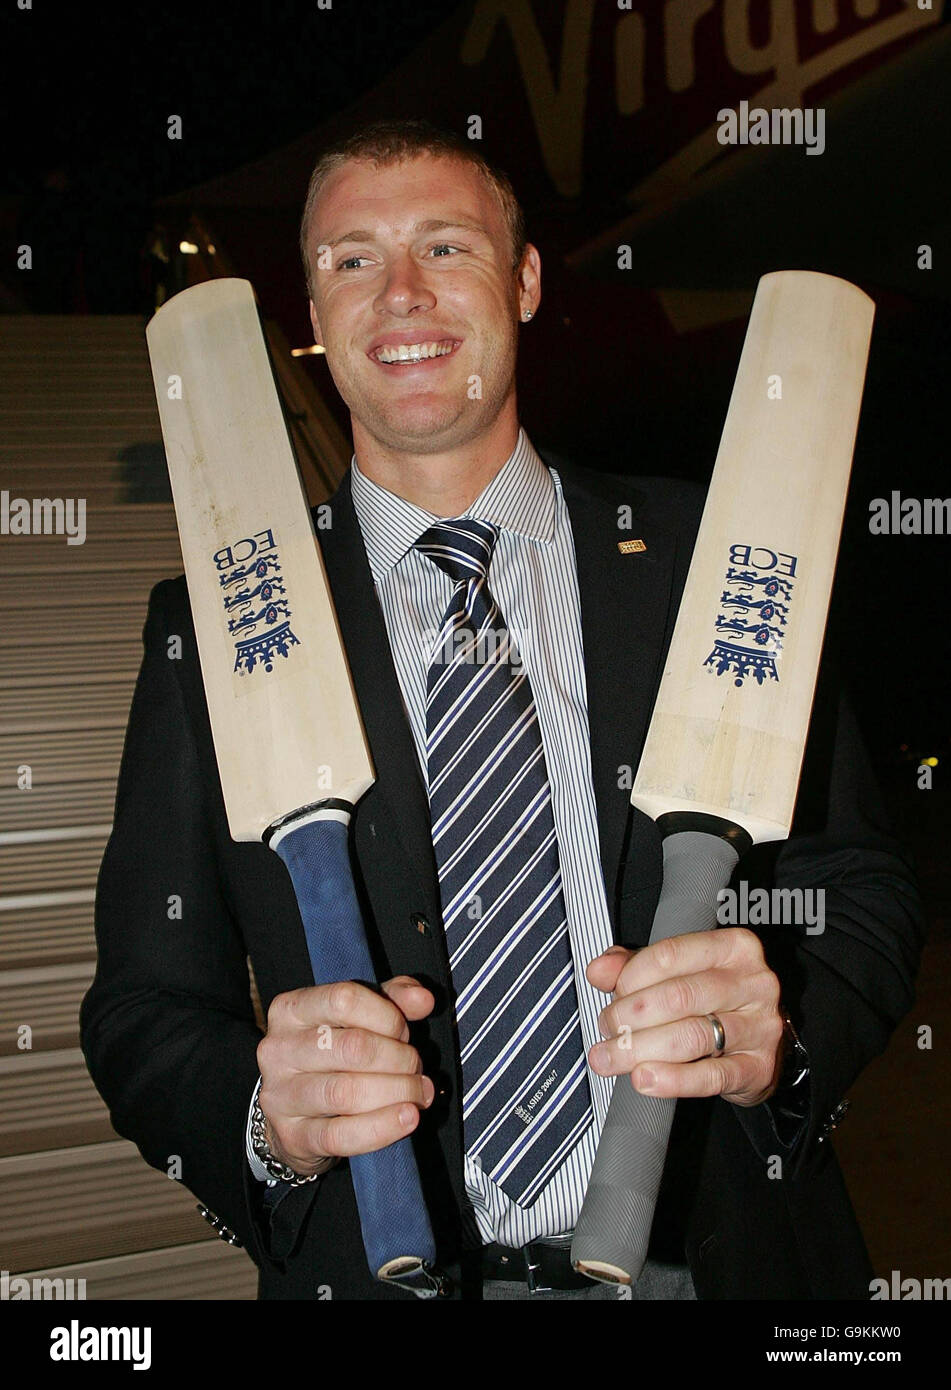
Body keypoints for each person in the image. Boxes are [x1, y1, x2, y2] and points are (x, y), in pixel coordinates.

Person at [81, 119, 924, 1302]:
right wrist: (272, 1119)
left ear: (525, 282)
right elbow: (140, 1008)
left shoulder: (713, 559)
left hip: (720, 1265)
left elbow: (864, 893)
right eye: (352, 260)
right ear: (312, 317)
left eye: (445, 246)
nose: (402, 295)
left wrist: (774, 1042)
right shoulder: (210, 627)